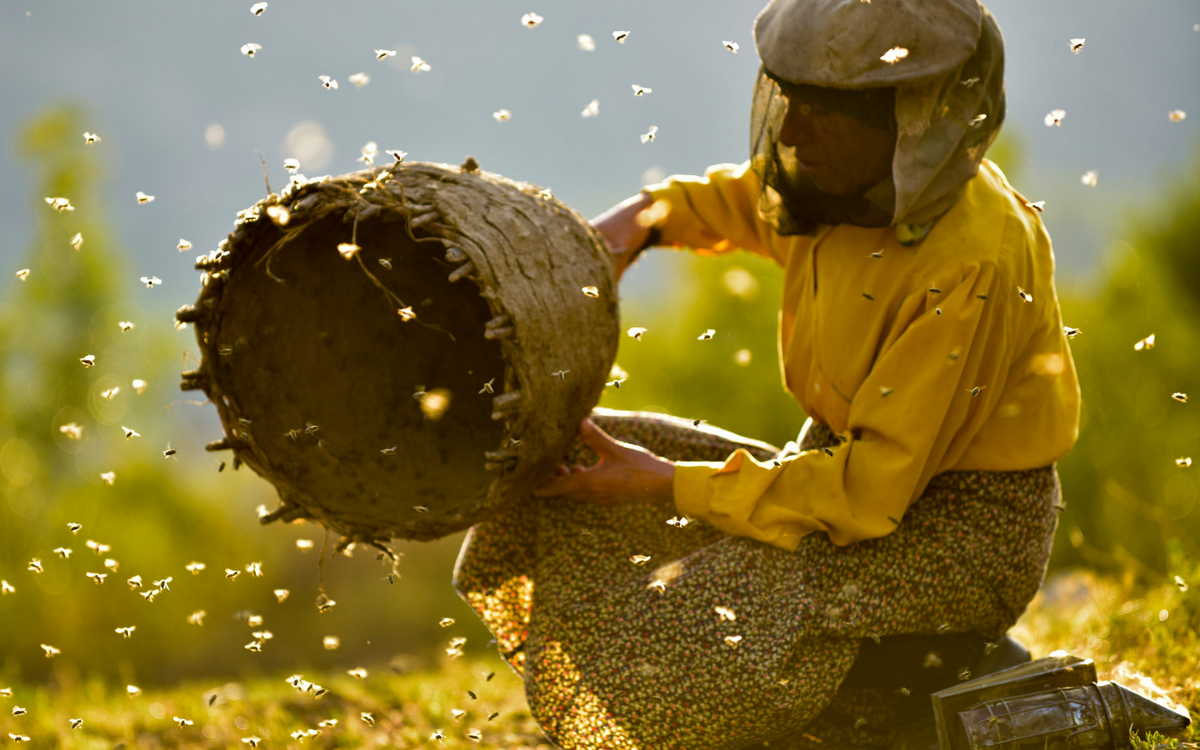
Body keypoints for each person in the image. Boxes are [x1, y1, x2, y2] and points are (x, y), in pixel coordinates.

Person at [454, 0, 1080, 747]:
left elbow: (866, 493)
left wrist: (660, 482)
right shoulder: (842, 186)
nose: (789, 131)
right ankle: (880, 683)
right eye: (790, 99)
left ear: (907, 117)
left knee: (686, 623)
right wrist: (637, 225)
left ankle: (923, 677)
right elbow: (740, 203)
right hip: (848, 484)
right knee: (575, 471)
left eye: (822, 111)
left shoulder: (969, 259)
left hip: (956, 538)